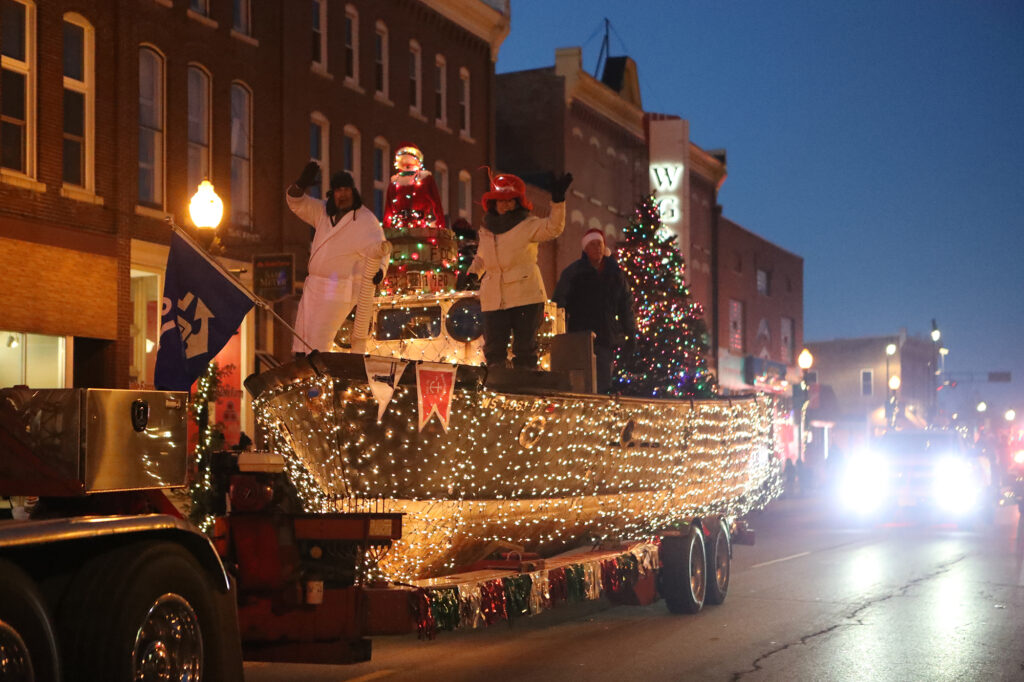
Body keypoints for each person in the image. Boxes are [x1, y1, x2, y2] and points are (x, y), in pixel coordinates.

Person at [467, 171, 573, 369]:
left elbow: (553, 228)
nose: (505, 204)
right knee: (494, 351)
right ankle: (497, 388)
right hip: (494, 298)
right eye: (501, 200)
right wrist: (473, 273)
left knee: (525, 349)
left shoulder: (528, 224)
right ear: (493, 203)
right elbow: (482, 257)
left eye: (510, 200)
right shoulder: (487, 228)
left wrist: (558, 202)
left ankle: (524, 389)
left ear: (518, 202)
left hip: (525, 296)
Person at [286, 161, 386, 354]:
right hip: (314, 285)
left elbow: (379, 248)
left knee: (319, 337)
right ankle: (302, 374)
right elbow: (296, 203)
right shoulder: (323, 213)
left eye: (347, 189)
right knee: (302, 335)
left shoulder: (365, 220)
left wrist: (379, 271)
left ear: (353, 191)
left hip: (337, 285)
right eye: (339, 190)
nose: (343, 194)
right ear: (332, 193)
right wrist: (301, 184)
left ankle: (318, 377)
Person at [552, 229, 637, 393]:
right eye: (592, 244)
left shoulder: (615, 274)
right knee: (582, 382)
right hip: (580, 336)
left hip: (605, 336)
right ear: (585, 249)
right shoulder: (574, 273)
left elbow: (626, 307)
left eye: (599, 244)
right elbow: (559, 303)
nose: (597, 247)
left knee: (603, 382)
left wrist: (630, 333)